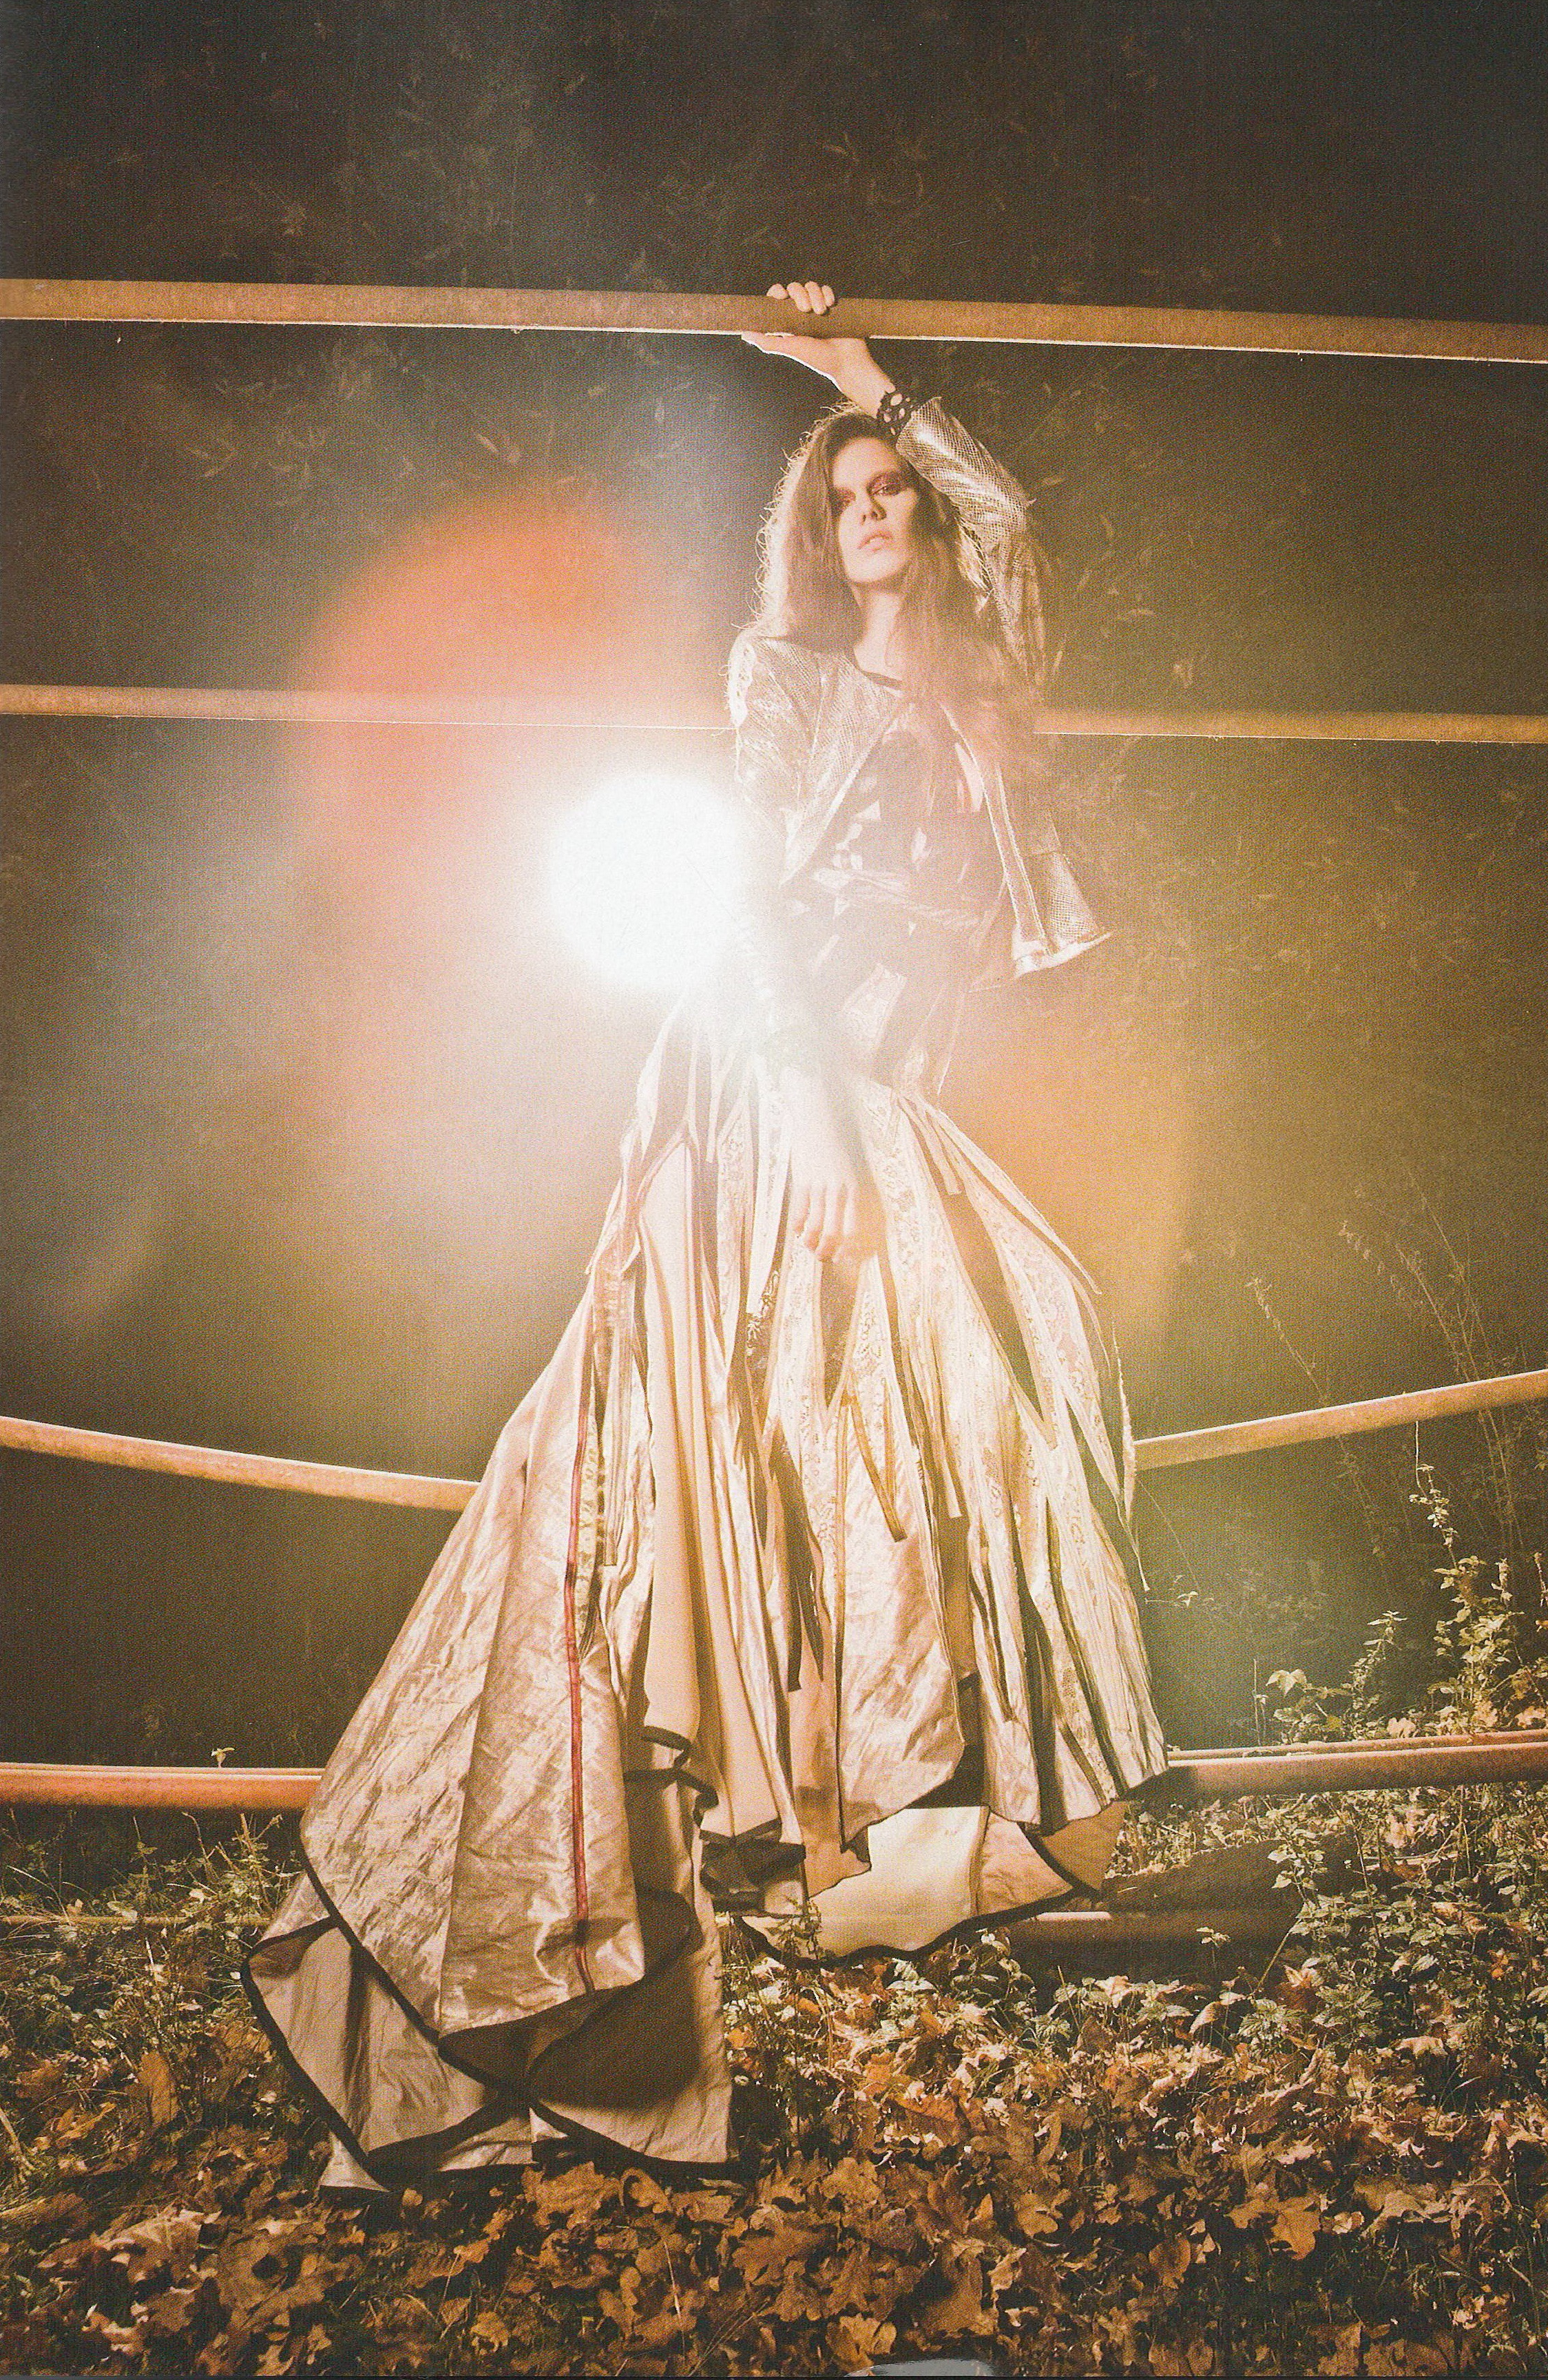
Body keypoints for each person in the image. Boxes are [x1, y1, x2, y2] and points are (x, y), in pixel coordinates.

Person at [246, 282, 1167, 2190]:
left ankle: (913, 1832)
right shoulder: (785, 676)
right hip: (774, 1073)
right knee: (704, 1449)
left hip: (892, 1086)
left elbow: (1004, 518)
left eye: (890, 492)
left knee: (1020, 1348)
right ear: (814, 540)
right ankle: (839, 1839)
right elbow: (744, 917)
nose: (876, 514)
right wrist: (813, 1113)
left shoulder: (986, 684)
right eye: (844, 499)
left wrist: (861, 381)